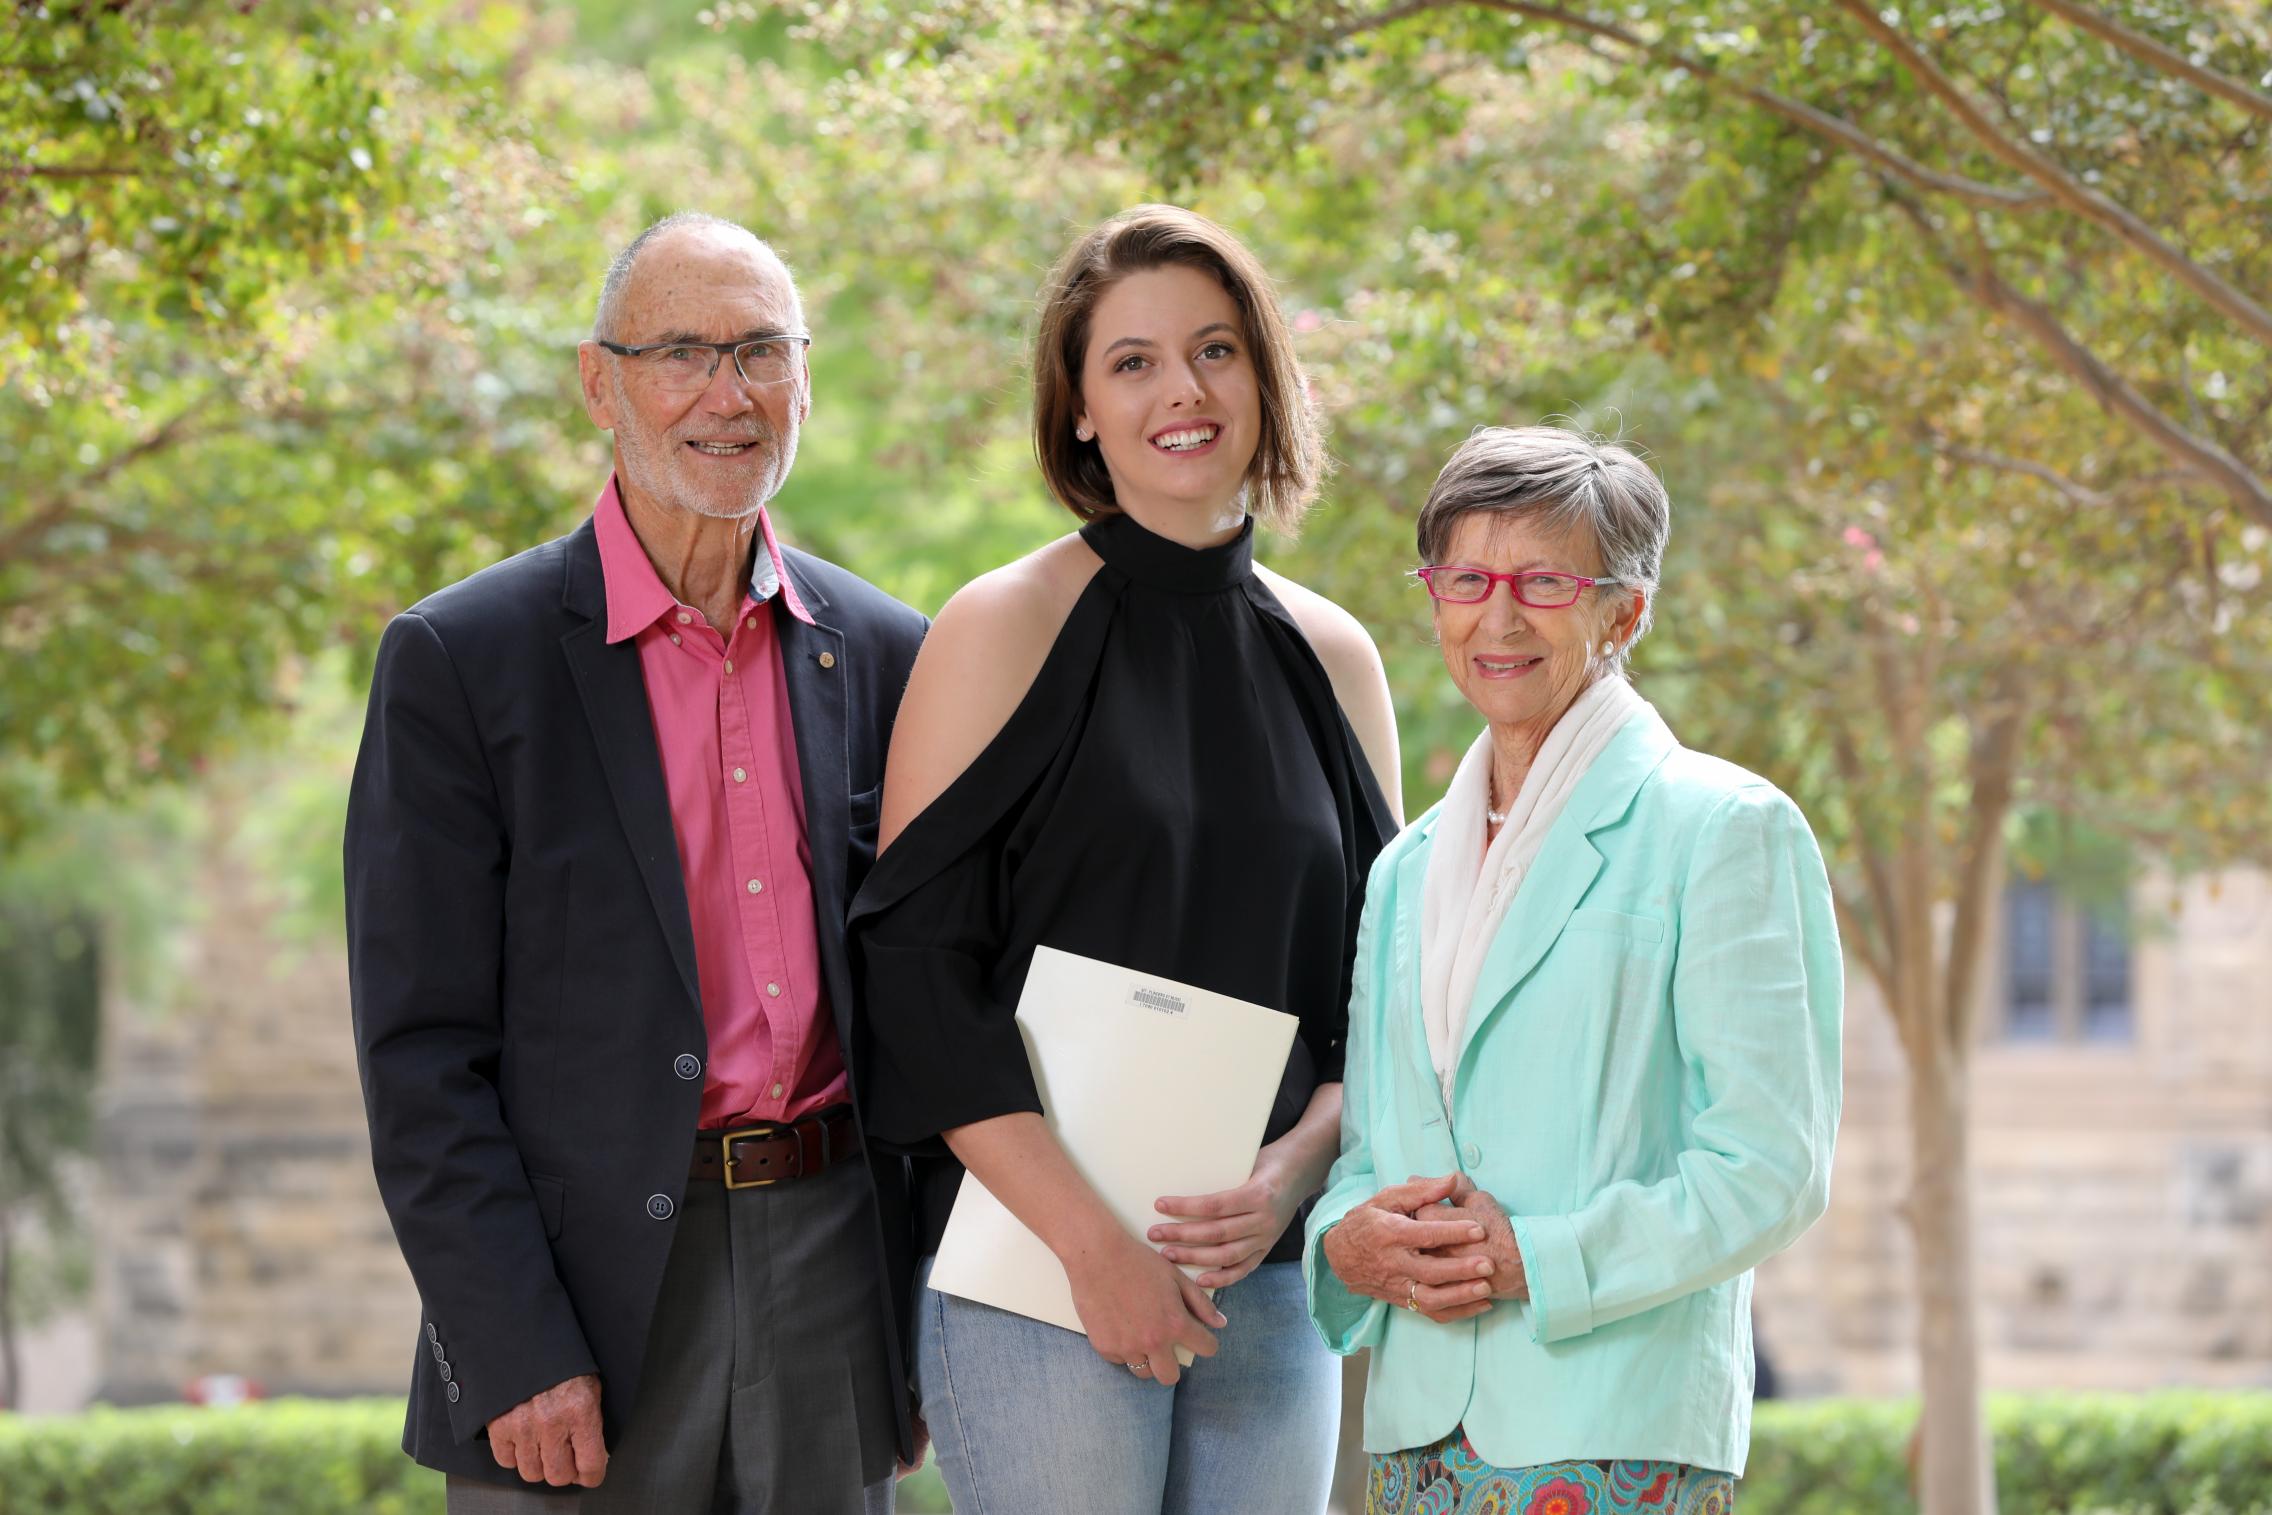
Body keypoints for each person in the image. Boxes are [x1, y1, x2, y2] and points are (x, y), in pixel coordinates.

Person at [344, 211, 926, 1513]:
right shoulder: (461, 661)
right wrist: (515, 1343)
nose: (729, 394)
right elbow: (419, 1051)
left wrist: (927, 1315)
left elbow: (938, 998)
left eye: (763, 351)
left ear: (807, 376)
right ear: (599, 381)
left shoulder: (892, 651)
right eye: (682, 351)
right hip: (576, 1306)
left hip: (833, 1271)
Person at [846, 204, 1403, 1513]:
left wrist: (1286, 1178)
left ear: (1266, 377)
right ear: (1080, 408)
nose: (1183, 390)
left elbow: (1383, 1005)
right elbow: (915, 974)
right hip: (1046, 1271)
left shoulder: (1339, 657)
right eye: (1133, 361)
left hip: (1266, 1275)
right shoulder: (1003, 624)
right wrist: (1096, 1246)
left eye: (1216, 349)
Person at [1309, 426, 1842, 1514]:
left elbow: (1770, 1168)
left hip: (1615, 1431)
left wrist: (1535, 1260)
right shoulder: (1405, 869)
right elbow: (1369, 1147)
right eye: (1466, 578)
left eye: (1544, 581)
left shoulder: (1724, 829)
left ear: (1624, 612)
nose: (1497, 616)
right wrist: (1344, 1239)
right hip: (1415, 1433)